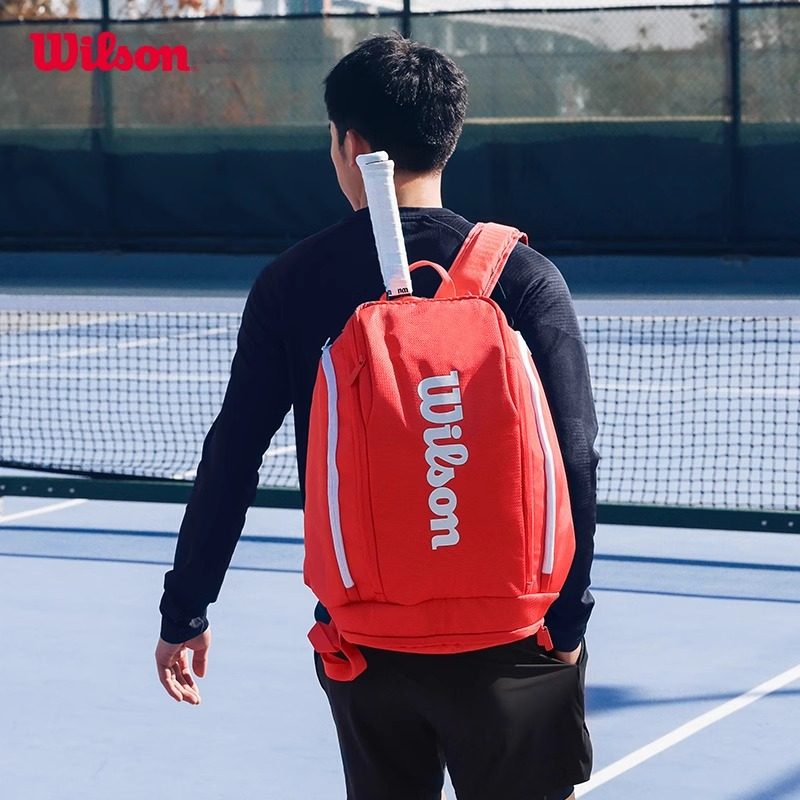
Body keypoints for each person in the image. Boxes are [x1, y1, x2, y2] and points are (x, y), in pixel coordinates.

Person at [155, 32, 598, 800]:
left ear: (352, 145)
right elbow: (577, 454)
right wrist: (567, 622)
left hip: (365, 640)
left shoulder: (293, 282)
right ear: (448, 137)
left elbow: (233, 456)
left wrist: (185, 608)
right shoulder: (523, 275)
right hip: (514, 637)